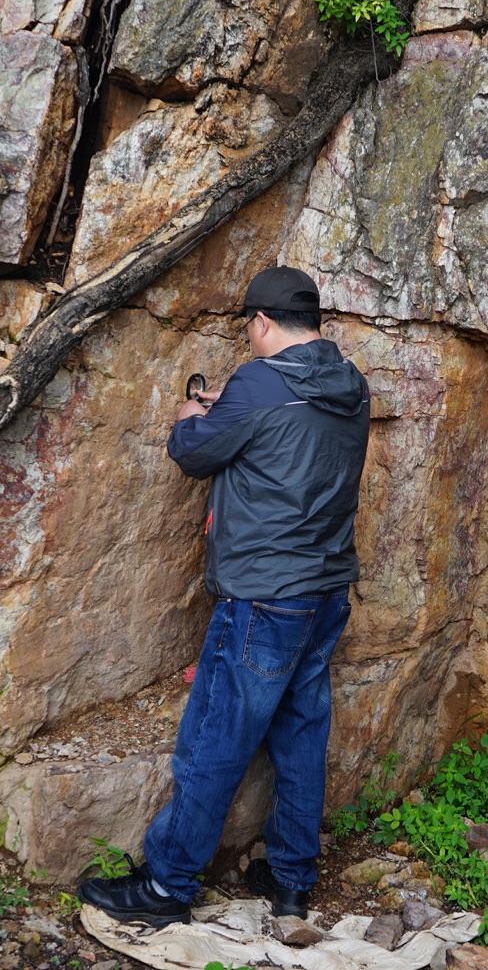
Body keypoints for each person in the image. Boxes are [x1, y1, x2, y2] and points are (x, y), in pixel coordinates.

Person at [78, 266, 371, 927]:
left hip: (265, 597)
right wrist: (232, 411)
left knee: (214, 739)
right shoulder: (352, 386)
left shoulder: (261, 381)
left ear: (262, 322)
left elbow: (195, 452)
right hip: (325, 591)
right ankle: (292, 880)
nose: (250, 339)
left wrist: (191, 415)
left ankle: (167, 887)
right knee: (299, 735)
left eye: (249, 328)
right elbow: (289, 440)